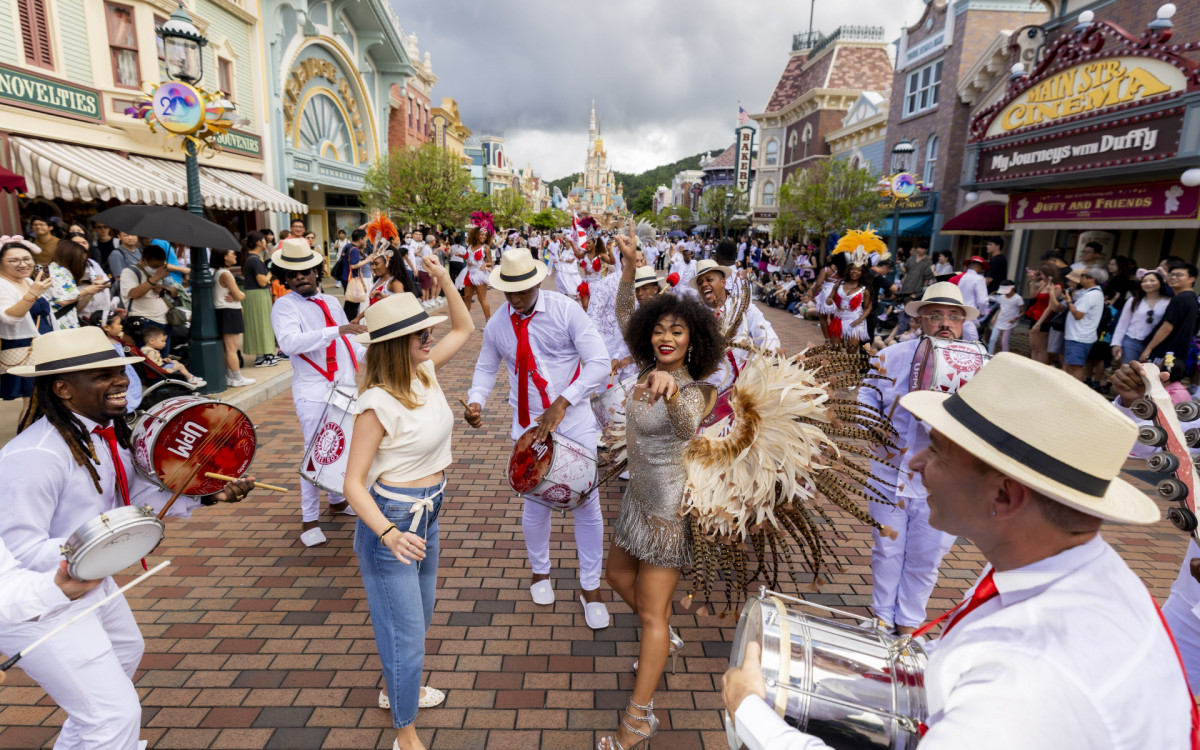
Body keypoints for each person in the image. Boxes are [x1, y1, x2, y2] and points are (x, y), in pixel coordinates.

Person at [726, 352, 1196, 749]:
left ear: (1005, 497)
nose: (915, 461)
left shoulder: (1029, 673)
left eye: (938, 451)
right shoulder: (1063, 568)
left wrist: (750, 709)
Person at [0, 327, 254, 750]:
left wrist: (204, 491)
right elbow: (17, 550)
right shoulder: (34, 456)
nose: (120, 380)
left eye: (119, 369)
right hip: (41, 598)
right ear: (62, 388)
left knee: (124, 652)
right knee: (113, 714)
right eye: (102, 375)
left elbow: (132, 497)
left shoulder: (99, 434)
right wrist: (101, 546)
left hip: (89, 579)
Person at [598, 230, 722, 750]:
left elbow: (686, 424)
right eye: (659, 331)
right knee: (615, 575)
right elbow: (627, 311)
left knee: (651, 613)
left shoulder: (693, 390)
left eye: (677, 332)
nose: (665, 338)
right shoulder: (648, 364)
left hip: (668, 516)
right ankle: (661, 629)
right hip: (636, 503)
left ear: (695, 340)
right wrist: (629, 267)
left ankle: (638, 719)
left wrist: (671, 392)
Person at [344, 258, 474, 750]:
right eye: (421, 335)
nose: (429, 340)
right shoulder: (376, 403)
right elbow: (352, 483)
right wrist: (388, 533)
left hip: (428, 512)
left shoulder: (424, 373)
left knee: (417, 617)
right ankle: (405, 730)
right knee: (407, 635)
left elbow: (463, 326)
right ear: (399, 346)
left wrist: (444, 279)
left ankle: (399, 689)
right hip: (394, 520)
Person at [464, 248, 611, 626]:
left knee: (586, 502)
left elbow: (599, 363)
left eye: (522, 291)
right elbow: (485, 368)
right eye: (508, 292)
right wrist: (475, 401)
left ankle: (590, 585)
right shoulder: (498, 324)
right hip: (528, 427)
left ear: (537, 282)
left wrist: (563, 402)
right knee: (535, 504)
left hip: (574, 421)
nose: (515, 299)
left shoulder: (565, 310)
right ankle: (540, 572)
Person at [858, 283, 975, 635]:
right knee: (887, 549)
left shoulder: (977, 366)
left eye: (953, 317)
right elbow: (868, 391)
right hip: (889, 470)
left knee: (927, 556)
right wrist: (871, 422)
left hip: (945, 480)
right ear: (920, 320)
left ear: (962, 323)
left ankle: (908, 622)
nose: (945, 323)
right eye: (936, 315)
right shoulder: (892, 356)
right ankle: (881, 616)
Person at [270, 239, 367, 546]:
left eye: (306, 271)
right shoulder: (284, 305)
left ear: (316, 272)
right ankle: (308, 519)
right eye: (292, 273)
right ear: (285, 278)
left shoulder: (332, 302)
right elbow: (290, 344)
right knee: (316, 451)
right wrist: (337, 331)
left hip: (346, 386)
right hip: (313, 390)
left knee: (346, 449)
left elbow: (348, 343)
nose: (300, 277)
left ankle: (337, 501)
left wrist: (376, 354)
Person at [692, 257, 779, 388]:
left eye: (709, 280)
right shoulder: (694, 317)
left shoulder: (744, 309)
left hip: (740, 392)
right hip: (708, 393)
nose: (704, 284)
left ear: (723, 282)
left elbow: (771, 340)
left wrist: (751, 374)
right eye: (700, 282)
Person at [0, 238, 53, 412]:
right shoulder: (2, 285)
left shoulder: (28, 281)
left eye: (27, 258)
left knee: (47, 399)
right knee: (32, 403)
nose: (22, 264)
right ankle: (26, 437)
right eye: (13, 260)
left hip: (45, 345)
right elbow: (8, 317)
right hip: (24, 347)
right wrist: (32, 294)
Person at [1140, 263, 1199, 372]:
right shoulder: (1192, 298)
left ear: (1191, 279)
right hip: (1177, 355)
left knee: (1152, 383)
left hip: (1165, 353)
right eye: (1171, 274)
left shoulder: (1180, 299)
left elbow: (1167, 327)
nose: (1173, 277)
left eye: (1179, 275)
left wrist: (1148, 349)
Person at [211, 247, 254, 388]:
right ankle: (237, 377)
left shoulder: (218, 272)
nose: (235, 255)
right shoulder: (226, 274)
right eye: (232, 253)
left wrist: (236, 295)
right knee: (232, 348)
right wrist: (239, 295)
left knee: (227, 347)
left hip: (223, 311)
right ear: (224, 257)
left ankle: (230, 376)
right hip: (229, 311)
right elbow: (240, 295)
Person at [1111, 269, 1171, 365]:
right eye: (1144, 281)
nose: (1147, 283)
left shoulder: (1168, 302)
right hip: (1131, 341)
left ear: (1161, 282)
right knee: (1129, 370)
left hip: (1154, 343)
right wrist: (1116, 343)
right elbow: (1122, 323)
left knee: (1149, 374)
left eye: (1152, 280)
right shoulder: (1133, 301)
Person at [45, 240, 108, 331]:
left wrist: (92, 291)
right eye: (81, 261)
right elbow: (64, 300)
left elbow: (74, 306)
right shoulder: (57, 271)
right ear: (71, 258)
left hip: (66, 325)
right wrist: (87, 290)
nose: (82, 265)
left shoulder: (58, 271)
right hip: (59, 328)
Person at [119, 243, 172, 346]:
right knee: (147, 359)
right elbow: (134, 294)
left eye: (160, 265)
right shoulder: (130, 272)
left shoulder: (161, 272)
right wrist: (155, 278)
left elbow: (175, 292)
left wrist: (165, 289)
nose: (157, 268)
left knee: (163, 360)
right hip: (144, 323)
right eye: (155, 266)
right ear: (144, 260)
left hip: (164, 322)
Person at [1062, 267, 1106, 381]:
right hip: (1080, 335)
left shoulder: (1091, 295)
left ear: (1093, 278)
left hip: (1079, 337)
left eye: (1083, 276)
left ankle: (1075, 392)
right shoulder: (1093, 293)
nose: (1080, 278)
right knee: (1072, 366)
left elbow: (1078, 315)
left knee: (1075, 367)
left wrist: (1068, 301)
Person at [242, 231, 278, 368]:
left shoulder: (252, 259)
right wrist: (271, 272)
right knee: (261, 324)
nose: (265, 243)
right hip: (258, 294)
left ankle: (264, 354)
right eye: (263, 240)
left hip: (255, 295)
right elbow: (262, 282)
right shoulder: (255, 260)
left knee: (261, 324)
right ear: (259, 243)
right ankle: (261, 357)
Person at [457, 220, 494, 319]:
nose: (483, 237)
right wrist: (460, 255)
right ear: (476, 235)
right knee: (467, 297)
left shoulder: (485, 248)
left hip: (480, 274)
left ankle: (488, 322)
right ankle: (466, 321)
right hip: (469, 273)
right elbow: (468, 257)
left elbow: (491, 263)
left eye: (485, 236)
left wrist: (486, 264)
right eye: (481, 235)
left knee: (481, 299)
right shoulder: (470, 246)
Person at [1024, 263, 1060, 365]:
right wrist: (1032, 282)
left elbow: (1050, 306)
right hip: (1035, 314)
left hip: (1044, 317)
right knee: (1033, 346)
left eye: (1042, 274)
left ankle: (1041, 368)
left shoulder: (1056, 287)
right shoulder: (1043, 283)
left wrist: (1039, 323)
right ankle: (1034, 366)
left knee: (1041, 347)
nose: (1041, 276)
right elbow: (1033, 296)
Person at [339, 229, 370, 320]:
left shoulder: (348, 246)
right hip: (351, 280)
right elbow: (353, 266)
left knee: (349, 303)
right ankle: (350, 324)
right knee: (353, 305)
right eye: (365, 239)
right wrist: (367, 260)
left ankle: (345, 322)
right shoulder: (355, 250)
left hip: (346, 278)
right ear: (360, 239)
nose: (365, 241)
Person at [987, 281, 1023, 354]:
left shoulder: (1018, 298)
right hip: (999, 320)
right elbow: (1001, 308)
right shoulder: (1001, 297)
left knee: (1004, 342)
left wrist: (1016, 318)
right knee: (992, 339)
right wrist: (994, 317)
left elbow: (1023, 311)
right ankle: (989, 355)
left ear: (1012, 289)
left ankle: (1005, 356)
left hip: (1009, 323)